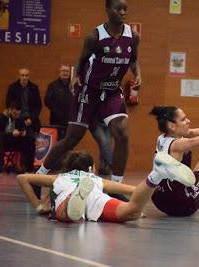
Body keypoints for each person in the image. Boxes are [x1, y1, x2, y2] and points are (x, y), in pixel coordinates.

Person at [36, 0, 141, 186]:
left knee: (122, 133)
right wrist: (76, 76)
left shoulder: (132, 36)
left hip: (112, 92)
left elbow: (133, 61)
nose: (123, 12)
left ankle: (116, 185)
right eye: (119, 9)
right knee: (72, 138)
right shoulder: (94, 36)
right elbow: (82, 59)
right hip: (89, 91)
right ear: (108, 10)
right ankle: (39, 175)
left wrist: (138, 74)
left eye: (126, 9)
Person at [17, 150, 195, 223]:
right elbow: (132, 190)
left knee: (65, 215)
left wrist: (39, 205)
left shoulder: (61, 177)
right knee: (131, 211)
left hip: (68, 194)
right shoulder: (94, 178)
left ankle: (73, 204)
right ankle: (156, 175)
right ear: (91, 168)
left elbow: (22, 178)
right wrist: (147, 203)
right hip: (97, 199)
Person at [0, 102, 35, 173]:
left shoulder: (19, 118)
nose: (16, 116)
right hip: (4, 141)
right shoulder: (1, 118)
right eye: (14, 114)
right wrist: (10, 133)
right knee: (0, 141)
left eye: (18, 114)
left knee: (30, 141)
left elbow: (24, 129)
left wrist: (24, 133)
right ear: (10, 110)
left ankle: (28, 167)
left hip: (16, 141)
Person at [6, 68, 42, 139]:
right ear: (19, 76)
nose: (24, 77)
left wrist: (31, 119)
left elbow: (38, 106)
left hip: (31, 121)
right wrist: (16, 117)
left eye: (26, 75)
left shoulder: (34, 88)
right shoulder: (12, 88)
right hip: (16, 120)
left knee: (31, 143)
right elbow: (8, 104)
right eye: (22, 75)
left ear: (29, 76)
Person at [44, 64, 72, 140]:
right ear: (59, 72)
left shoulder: (73, 85)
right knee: (56, 142)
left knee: (69, 142)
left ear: (69, 73)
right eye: (63, 71)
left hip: (69, 121)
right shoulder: (52, 85)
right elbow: (47, 100)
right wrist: (56, 111)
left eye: (67, 71)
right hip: (55, 120)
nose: (65, 73)